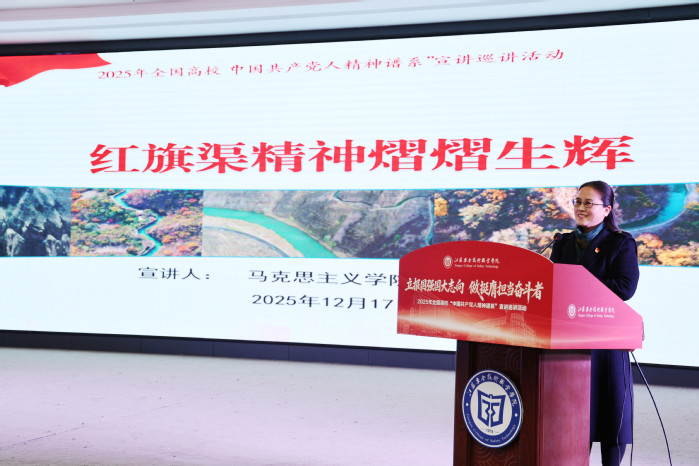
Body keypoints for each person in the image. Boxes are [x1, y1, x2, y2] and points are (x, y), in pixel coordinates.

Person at [549, 180, 640, 466]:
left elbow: (625, 287)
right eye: (578, 201)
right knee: (576, 413)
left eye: (589, 203)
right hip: (570, 338)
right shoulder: (563, 243)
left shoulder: (620, 242)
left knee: (611, 413)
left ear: (607, 210)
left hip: (606, 339)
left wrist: (578, 283)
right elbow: (552, 284)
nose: (581, 207)